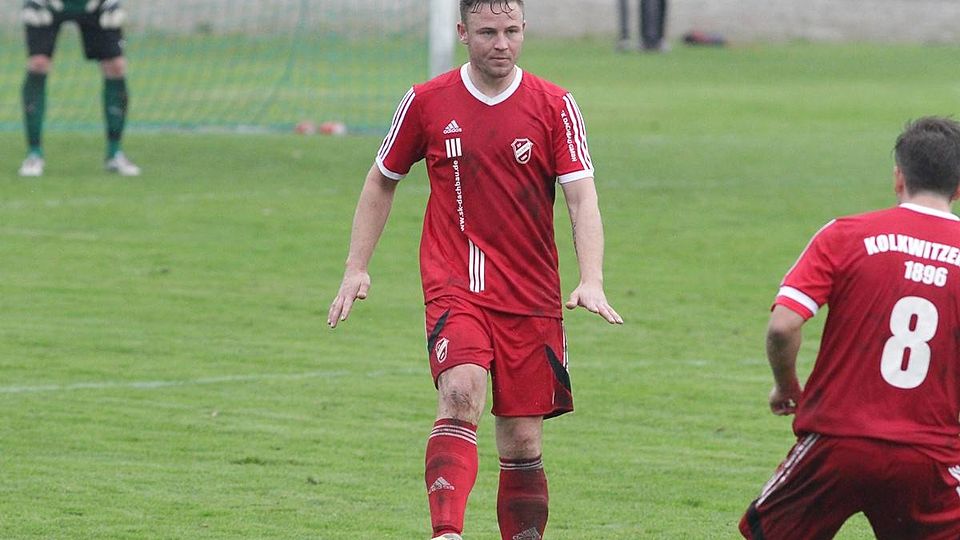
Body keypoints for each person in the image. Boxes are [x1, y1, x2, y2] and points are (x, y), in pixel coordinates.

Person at [327, 1, 622, 538]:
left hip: (531, 295)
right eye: (488, 32)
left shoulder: (555, 106)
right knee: (461, 391)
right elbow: (381, 179)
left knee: (522, 441)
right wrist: (356, 267)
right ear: (463, 32)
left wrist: (592, 278)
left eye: (511, 31)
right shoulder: (426, 101)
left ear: (524, 29)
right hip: (455, 283)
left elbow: (582, 197)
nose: (502, 44)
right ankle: (447, 533)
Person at [740, 117, 960, 539]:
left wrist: (786, 386)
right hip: (929, 452)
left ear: (898, 177)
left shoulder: (845, 235)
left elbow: (783, 327)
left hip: (835, 442)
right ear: (958, 186)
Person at [19, 0, 140, 177]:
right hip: (49, 3)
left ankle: (114, 153)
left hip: (95, 4)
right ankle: (34, 154)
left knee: (116, 66)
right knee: (38, 63)